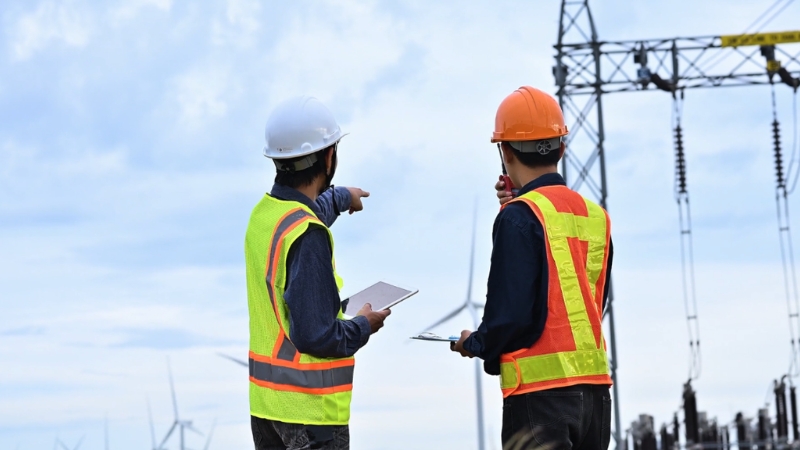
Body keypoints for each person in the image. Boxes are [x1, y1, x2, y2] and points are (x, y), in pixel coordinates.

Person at [451, 86, 614, 450]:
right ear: (562, 147)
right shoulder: (595, 216)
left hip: (540, 399)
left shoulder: (520, 217)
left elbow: (510, 315)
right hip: (597, 394)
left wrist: (476, 343)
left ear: (504, 151)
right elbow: (585, 302)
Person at [245, 95, 391, 450]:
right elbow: (316, 335)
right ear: (329, 157)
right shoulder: (307, 235)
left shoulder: (265, 217)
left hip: (268, 411)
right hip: (310, 416)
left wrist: (341, 196)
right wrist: (363, 325)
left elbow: (306, 212)